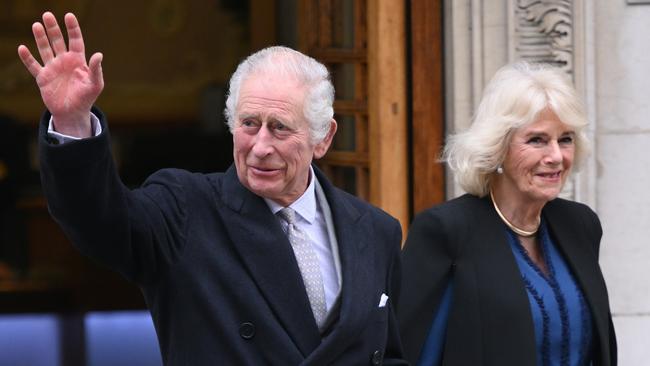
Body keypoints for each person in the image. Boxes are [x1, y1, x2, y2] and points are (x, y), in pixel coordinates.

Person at [18, 12, 406, 365]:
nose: (260, 146)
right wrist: (71, 123)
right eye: (249, 123)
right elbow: (99, 220)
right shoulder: (185, 210)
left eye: (280, 128)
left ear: (323, 138)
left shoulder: (375, 231)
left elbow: (387, 353)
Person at [397, 62, 617, 366]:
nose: (555, 156)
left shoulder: (580, 225)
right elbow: (415, 351)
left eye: (565, 139)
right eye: (537, 140)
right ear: (498, 147)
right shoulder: (446, 231)